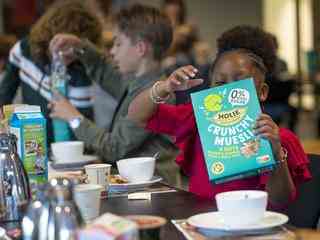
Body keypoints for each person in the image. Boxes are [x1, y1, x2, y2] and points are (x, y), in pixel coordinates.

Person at [127, 25, 311, 205]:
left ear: (262, 91)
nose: (229, 90)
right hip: (200, 224)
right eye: (220, 83)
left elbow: (282, 199)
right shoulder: (197, 118)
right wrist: (164, 87)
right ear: (211, 89)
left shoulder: (280, 138)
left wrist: (275, 150)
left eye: (240, 81)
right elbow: (136, 115)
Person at [48, 4, 180, 185]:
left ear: (141, 48)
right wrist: (80, 47)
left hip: (155, 191)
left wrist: (74, 118)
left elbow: (114, 148)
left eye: (118, 43)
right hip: (140, 188)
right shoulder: (139, 83)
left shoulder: (157, 95)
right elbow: (106, 72)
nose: (112, 51)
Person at [0, 0, 102, 144]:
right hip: (30, 142)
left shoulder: (80, 73)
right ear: (49, 33)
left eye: (75, 47)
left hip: (67, 151)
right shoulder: (23, 50)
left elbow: (83, 128)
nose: (67, 52)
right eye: (62, 42)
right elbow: (4, 96)